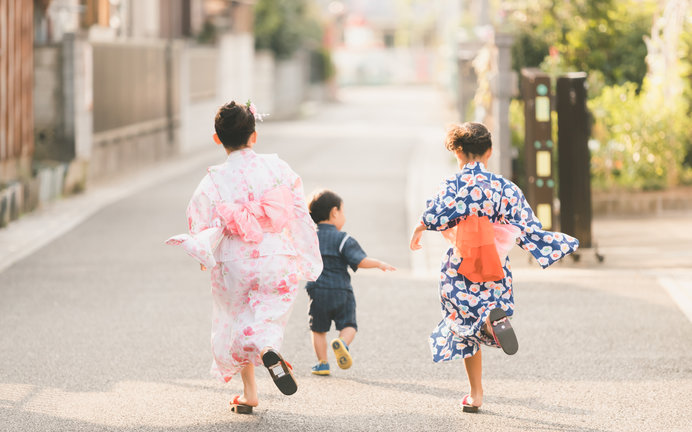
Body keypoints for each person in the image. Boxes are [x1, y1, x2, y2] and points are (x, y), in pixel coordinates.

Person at [409, 122, 579, 413]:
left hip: (459, 264)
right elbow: (526, 225)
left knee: (461, 321)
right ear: (489, 151)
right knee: (489, 307)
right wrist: (552, 244)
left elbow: (435, 215)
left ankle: (476, 393)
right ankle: (490, 320)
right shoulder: (503, 186)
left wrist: (419, 228)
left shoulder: (453, 184)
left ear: (458, 152)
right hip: (494, 263)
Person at [166, 101, 323, 414]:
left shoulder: (213, 180)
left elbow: (199, 217)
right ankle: (268, 348)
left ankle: (250, 393)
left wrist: (204, 250)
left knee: (236, 318)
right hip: (276, 255)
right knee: (268, 315)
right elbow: (298, 213)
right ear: (255, 136)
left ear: (217, 139)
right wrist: (308, 257)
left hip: (235, 260)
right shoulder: (278, 167)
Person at [306, 190, 396, 375]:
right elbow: (359, 260)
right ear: (334, 212)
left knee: (318, 329)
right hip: (341, 291)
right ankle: (343, 344)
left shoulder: (309, 238)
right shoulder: (343, 239)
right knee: (348, 325)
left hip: (318, 291)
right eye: (343, 211)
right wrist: (378, 264)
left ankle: (322, 363)